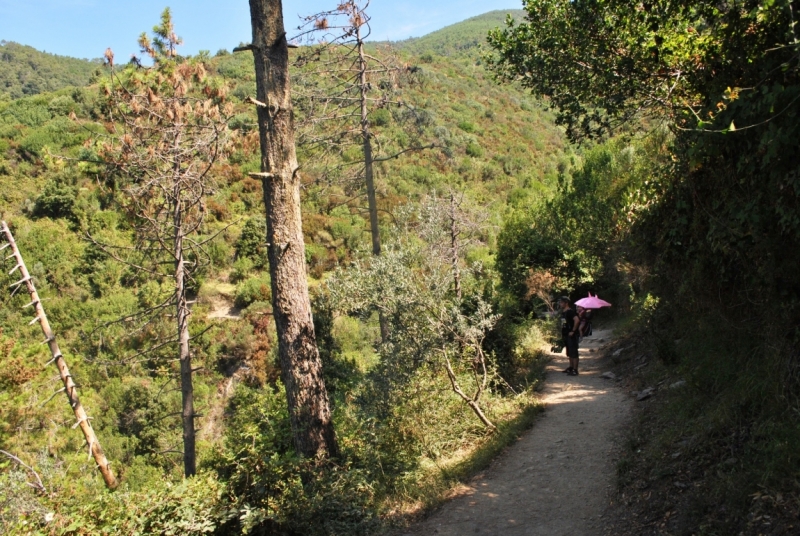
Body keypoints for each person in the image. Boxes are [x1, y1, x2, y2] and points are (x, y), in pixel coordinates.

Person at [559, 297, 580, 375]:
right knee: (569, 352)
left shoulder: (570, 312)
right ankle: (571, 367)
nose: (560, 304)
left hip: (572, 335)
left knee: (574, 352)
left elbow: (577, 320)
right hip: (566, 334)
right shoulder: (564, 312)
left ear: (566, 303)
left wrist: (573, 331)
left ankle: (575, 369)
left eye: (561, 302)